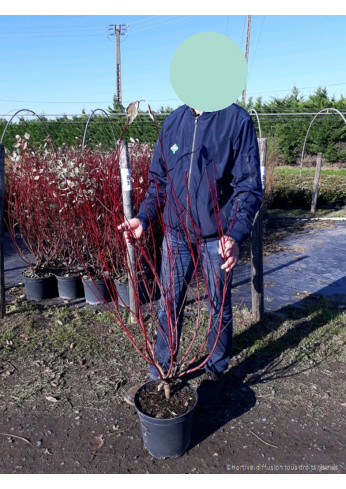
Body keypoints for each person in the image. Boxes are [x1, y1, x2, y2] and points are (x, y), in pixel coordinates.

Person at [119, 103, 262, 409]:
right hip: (175, 233)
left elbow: (248, 187)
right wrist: (143, 218)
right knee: (169, 302)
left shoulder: (236, 121)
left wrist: (235, 234)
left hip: (218, 236)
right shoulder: (173, 122)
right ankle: (162, 370)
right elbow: (159, 181)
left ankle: (214, 371)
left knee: (218, 305)